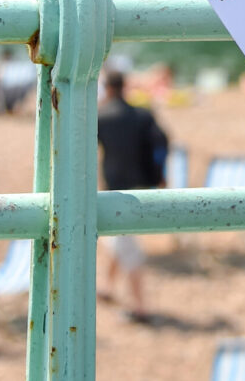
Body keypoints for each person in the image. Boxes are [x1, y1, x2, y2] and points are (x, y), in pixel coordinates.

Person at [96, 68, 169, 323]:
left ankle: (141, 308)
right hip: (141, 187)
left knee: (128, 250)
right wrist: (161, 176)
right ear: (125, 87)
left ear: (107, 88)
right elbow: (163, 142)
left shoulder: (101, 116)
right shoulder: (142, 115)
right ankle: (106, 287)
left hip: (115, 190)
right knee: (117, 240)